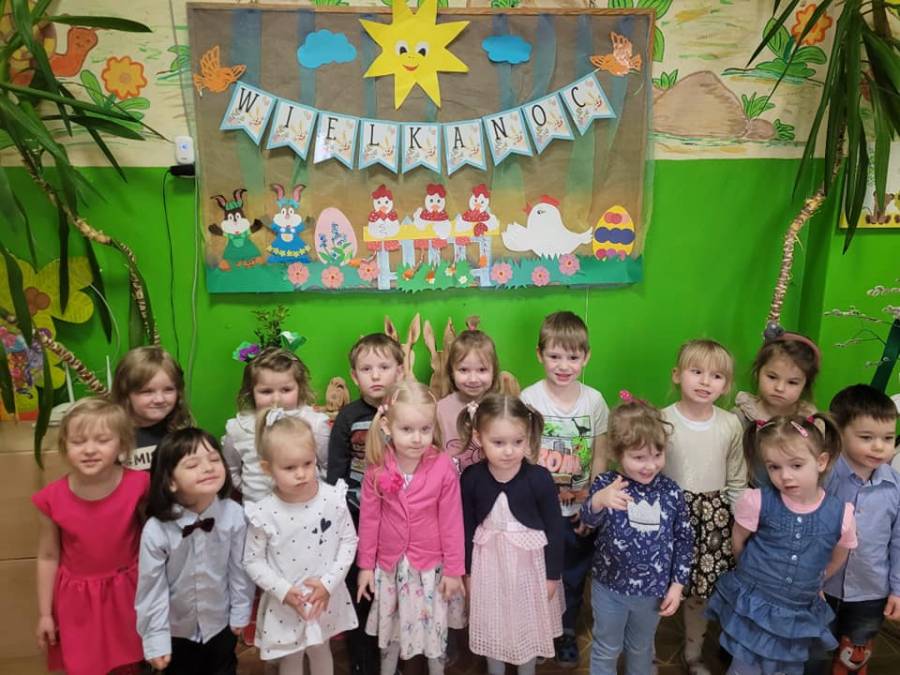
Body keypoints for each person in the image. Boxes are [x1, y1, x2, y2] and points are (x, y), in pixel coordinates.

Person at [707, 415, 857, 675]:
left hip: (796, 611)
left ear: (821, 461)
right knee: (744, 667)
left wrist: (816, 580)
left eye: (796, 465)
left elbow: (839, 555)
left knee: (785, 667)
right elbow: (739, 541)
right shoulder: (757, 501)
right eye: (774, 467)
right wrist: (749, 575)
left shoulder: (841, 514)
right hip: (755, 604)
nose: (785, 476)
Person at [356, 380, 466, 675]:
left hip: (430, 567)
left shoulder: (443, 466)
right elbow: (369, 520)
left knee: (435, 632)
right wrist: (365, 566)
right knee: (391, 631)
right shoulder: (377, 466)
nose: (417, 439)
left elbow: (452, 522)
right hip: (391, 568)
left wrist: (454, 570)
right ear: (387, 426)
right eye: (407, 429)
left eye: (425, 429)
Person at [33, 398, 148, 674]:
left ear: (122, 445)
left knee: (129, 663)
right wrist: (45, 614)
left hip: (129, 594)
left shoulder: (140, 485)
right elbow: (48, 556)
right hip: (78, 602)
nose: (89, 450)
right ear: (65, 446)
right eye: (78, 441)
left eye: (102, 440)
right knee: (85, 665)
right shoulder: (51, 499)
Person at [519, 311, 609, 667]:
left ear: (586, 357)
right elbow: (523, 454)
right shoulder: (529, 398)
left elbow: (600, 455)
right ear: (539, 354)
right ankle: (540, 633)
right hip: (540, 513)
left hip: (577, 512)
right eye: (554, 356)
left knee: (572, 575)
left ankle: (566, 630)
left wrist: (591, 505)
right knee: (540, 576)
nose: (563, 365)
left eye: (573, 357)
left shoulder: (594, 401)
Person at [581, 394, 694, 675]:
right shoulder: (607, 484)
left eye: (657, 455)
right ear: (617, 453)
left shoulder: (670, 491)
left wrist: (677, 585)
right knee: (606, 648)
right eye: (639, 457)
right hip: (609, 589)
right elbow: (587, 521)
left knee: (641, 648)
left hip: (652, 593)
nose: (650, 465)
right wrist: (599, 501)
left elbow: (684, 539)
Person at [244, 409, 358, 675]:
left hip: (323, 596)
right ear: (267, 468)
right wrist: (284, 591)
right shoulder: (264, 512)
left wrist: (328, 583)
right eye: (289, 468)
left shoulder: (332, 499)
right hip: (286, 601)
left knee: (321, 649)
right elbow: (252, 561)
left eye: (307, 463)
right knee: (291, 657)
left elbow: (348, 542)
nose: (301, 474)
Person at [458, 394, 563, 675]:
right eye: (498, 443)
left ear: (528, 437)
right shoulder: (471, 478)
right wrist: (467, 572)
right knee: (493, 622)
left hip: (529, 568)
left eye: (518, 442)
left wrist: (552, 576)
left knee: (526, 622)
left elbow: (555, 529)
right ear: (479, 438)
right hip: (488, 566)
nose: (509, 451)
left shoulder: (540, 478)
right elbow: (465, 528)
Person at [136, 428, 255, 674]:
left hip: (220, 623)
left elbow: (239, 569)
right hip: (177, 630)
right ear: (170, 481)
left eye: (214, 459)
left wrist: (241, 610)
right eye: (192, 465)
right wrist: (155, 637)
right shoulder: (157, 530)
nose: (208, 468)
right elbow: (152, 588)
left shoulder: (234, 515)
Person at [661, 338, 746, 675]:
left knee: (700, 591)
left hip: (712, 520)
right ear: (677, 375)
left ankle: (694, 652)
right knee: (658, 584)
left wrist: (740, 523)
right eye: (696, 371)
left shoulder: (730, 424)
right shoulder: (662, 420)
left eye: (716, 376)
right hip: (668, 515)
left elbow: (736, 478)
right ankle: (645, 650)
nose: (705, 381)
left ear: (726, 385)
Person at [326, 333, 405, 675]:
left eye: (384, 367)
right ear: (354, 375)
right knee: (361, 588)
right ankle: (364, 659)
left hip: (399, 518)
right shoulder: (348, 417)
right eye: (366, 369)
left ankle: (394, 658)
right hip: (358, 515)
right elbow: (337, 472)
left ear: (400, 371)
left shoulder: (406, 411)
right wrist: (341, 516)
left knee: (395, 589)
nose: (375, 375)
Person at [816, 385, 899, 675]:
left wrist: (897, 589)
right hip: (821, 587)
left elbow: (898, 542)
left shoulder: (895, 487)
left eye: (888, 438)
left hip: (870, 592)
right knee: (812, 652)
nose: (879, 447)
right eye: (867, 437)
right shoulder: (823, 477)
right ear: (839, 432)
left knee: (854, 656)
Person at [222, 346, 331, 503]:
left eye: (286, 390)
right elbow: (230, 470)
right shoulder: (238, 429)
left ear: (299, 388)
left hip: (306, 508)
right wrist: (249, 491)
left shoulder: (315, 423)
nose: (276, 399)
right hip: (259, 512)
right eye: (266, 391)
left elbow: (327, 467)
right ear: (251, 392)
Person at [733, 331, 820, 484]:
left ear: (805, 385)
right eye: (772, 377)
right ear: (758, 373)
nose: (779, 388)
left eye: (792, 382)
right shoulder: (741, 417)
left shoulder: (811, 422)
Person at [111, 345, 192, 471]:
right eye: (147, 391)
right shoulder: (109, 436)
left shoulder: (182, 431)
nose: (159, 399)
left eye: (169, 390)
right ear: (125, 393)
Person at [437, 329, 501, 471]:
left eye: (482, 370)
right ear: (452, 372)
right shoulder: (440, 410)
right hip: (451, 481)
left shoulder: (501, 409)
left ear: (494, 371)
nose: (473, 379)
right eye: (464, 370)